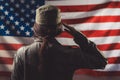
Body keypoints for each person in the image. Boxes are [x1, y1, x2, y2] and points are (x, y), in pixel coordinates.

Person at [11, 5, 107, 80]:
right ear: (59, 29)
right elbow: (101, 62)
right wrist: (79, 36)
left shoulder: (22, 53)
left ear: (36, 28)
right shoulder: (70, 54)